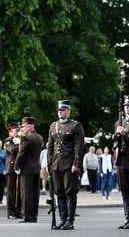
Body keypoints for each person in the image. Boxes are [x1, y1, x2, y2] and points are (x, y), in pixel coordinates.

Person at [47, 99, 85, 230]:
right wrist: (50, 164)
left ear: (68, 111)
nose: (60, 112)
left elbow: (79, 146)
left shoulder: (75, 125)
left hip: (69, 163)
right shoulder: (53, 126)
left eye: (63, 110)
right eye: (59, 110)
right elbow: (50, 147)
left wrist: (76, 163)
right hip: (56, 164)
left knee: (70, 192)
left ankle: (70, 220)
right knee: (59, 192)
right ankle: (62, 219)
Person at [113, 94, 129, 229]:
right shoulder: (119, 122)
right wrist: (115, 142)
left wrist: (125, 135)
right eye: (125, 106)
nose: (126, 108)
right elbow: (116, 141)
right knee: (124, 191)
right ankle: (127, 218)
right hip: (121, 160)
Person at [14, 117, 43, 223]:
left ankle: (28, 216)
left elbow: (21, 154)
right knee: (35, 194)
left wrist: (17, 166)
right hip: (36, 168)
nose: (22, 130)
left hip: (26, 169)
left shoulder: (26, 138)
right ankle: (34, 215)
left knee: (26, 194)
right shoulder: (39, 137)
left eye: (23, 127)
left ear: (27, 127)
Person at [4, 122, 23, 219]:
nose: (19, 132)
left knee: (19, 191)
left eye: (19, 130)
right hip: (11, 169)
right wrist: (20, 144)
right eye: (17, 130)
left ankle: (18, 210)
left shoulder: (20, 140)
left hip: (19, 167)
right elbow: (12, 150)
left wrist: (20, 142)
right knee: (11, 192)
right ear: (11, 131)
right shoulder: (8, 141)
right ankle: (11, 212)